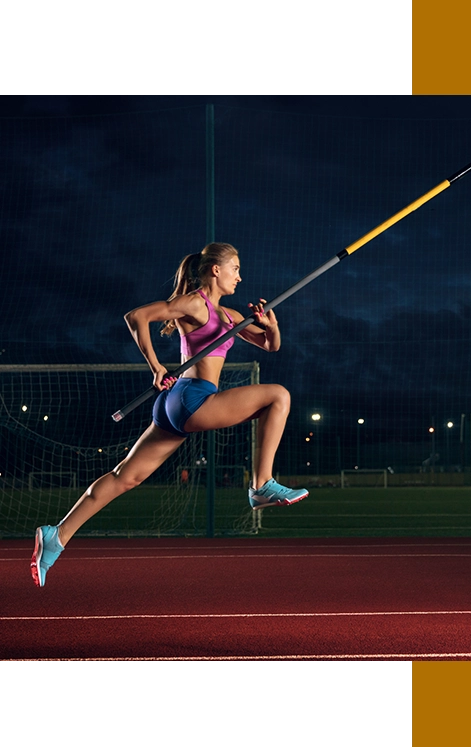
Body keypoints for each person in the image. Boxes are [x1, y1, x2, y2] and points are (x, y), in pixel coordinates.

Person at [31, 242, 308, 588]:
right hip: (193, 397)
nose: (241, 275)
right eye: (235, 268)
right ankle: (260, 486)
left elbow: (271, 346)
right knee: (278, 396)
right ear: (215, 270)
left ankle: (57, 535)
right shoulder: (195, 303)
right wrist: (156, 366)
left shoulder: (232, 316)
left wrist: (271, 325)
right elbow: (136, 316)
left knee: (124, 477)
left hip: (173, 404)